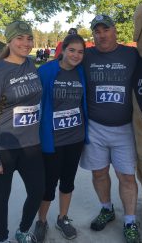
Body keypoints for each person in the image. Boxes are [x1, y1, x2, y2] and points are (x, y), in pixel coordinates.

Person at [0, 21, 45, 243]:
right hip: (3, 146)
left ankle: (23, 230)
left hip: (30, 144)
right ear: (9, 40)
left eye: (29, 38)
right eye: (20, 38)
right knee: (1, 197)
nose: (26, 43)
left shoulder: (30, 64)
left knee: (38, 190)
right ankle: (2, 237)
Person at [79, 14, 141, 242]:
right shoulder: (86, 56)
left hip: (125, 128)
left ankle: (130, 221)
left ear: (115, 31)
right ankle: (107, 209)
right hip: (95, 128)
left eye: (106, 30)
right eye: (97, 31)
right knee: (99, 173)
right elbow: (64, 67)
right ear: (93, 34)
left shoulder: (131, 54)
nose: (101, 35)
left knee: (126, 176)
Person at [34, 34, 89, 242]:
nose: (76, 55)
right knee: (48, 184)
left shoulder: (81, 73)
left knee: (68, 181)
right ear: (63, 50)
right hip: (52, 140)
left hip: (75, 138)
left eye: (81, 52)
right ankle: (41, 221)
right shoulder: (47, 71)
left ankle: (63, 218)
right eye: (72, 50)